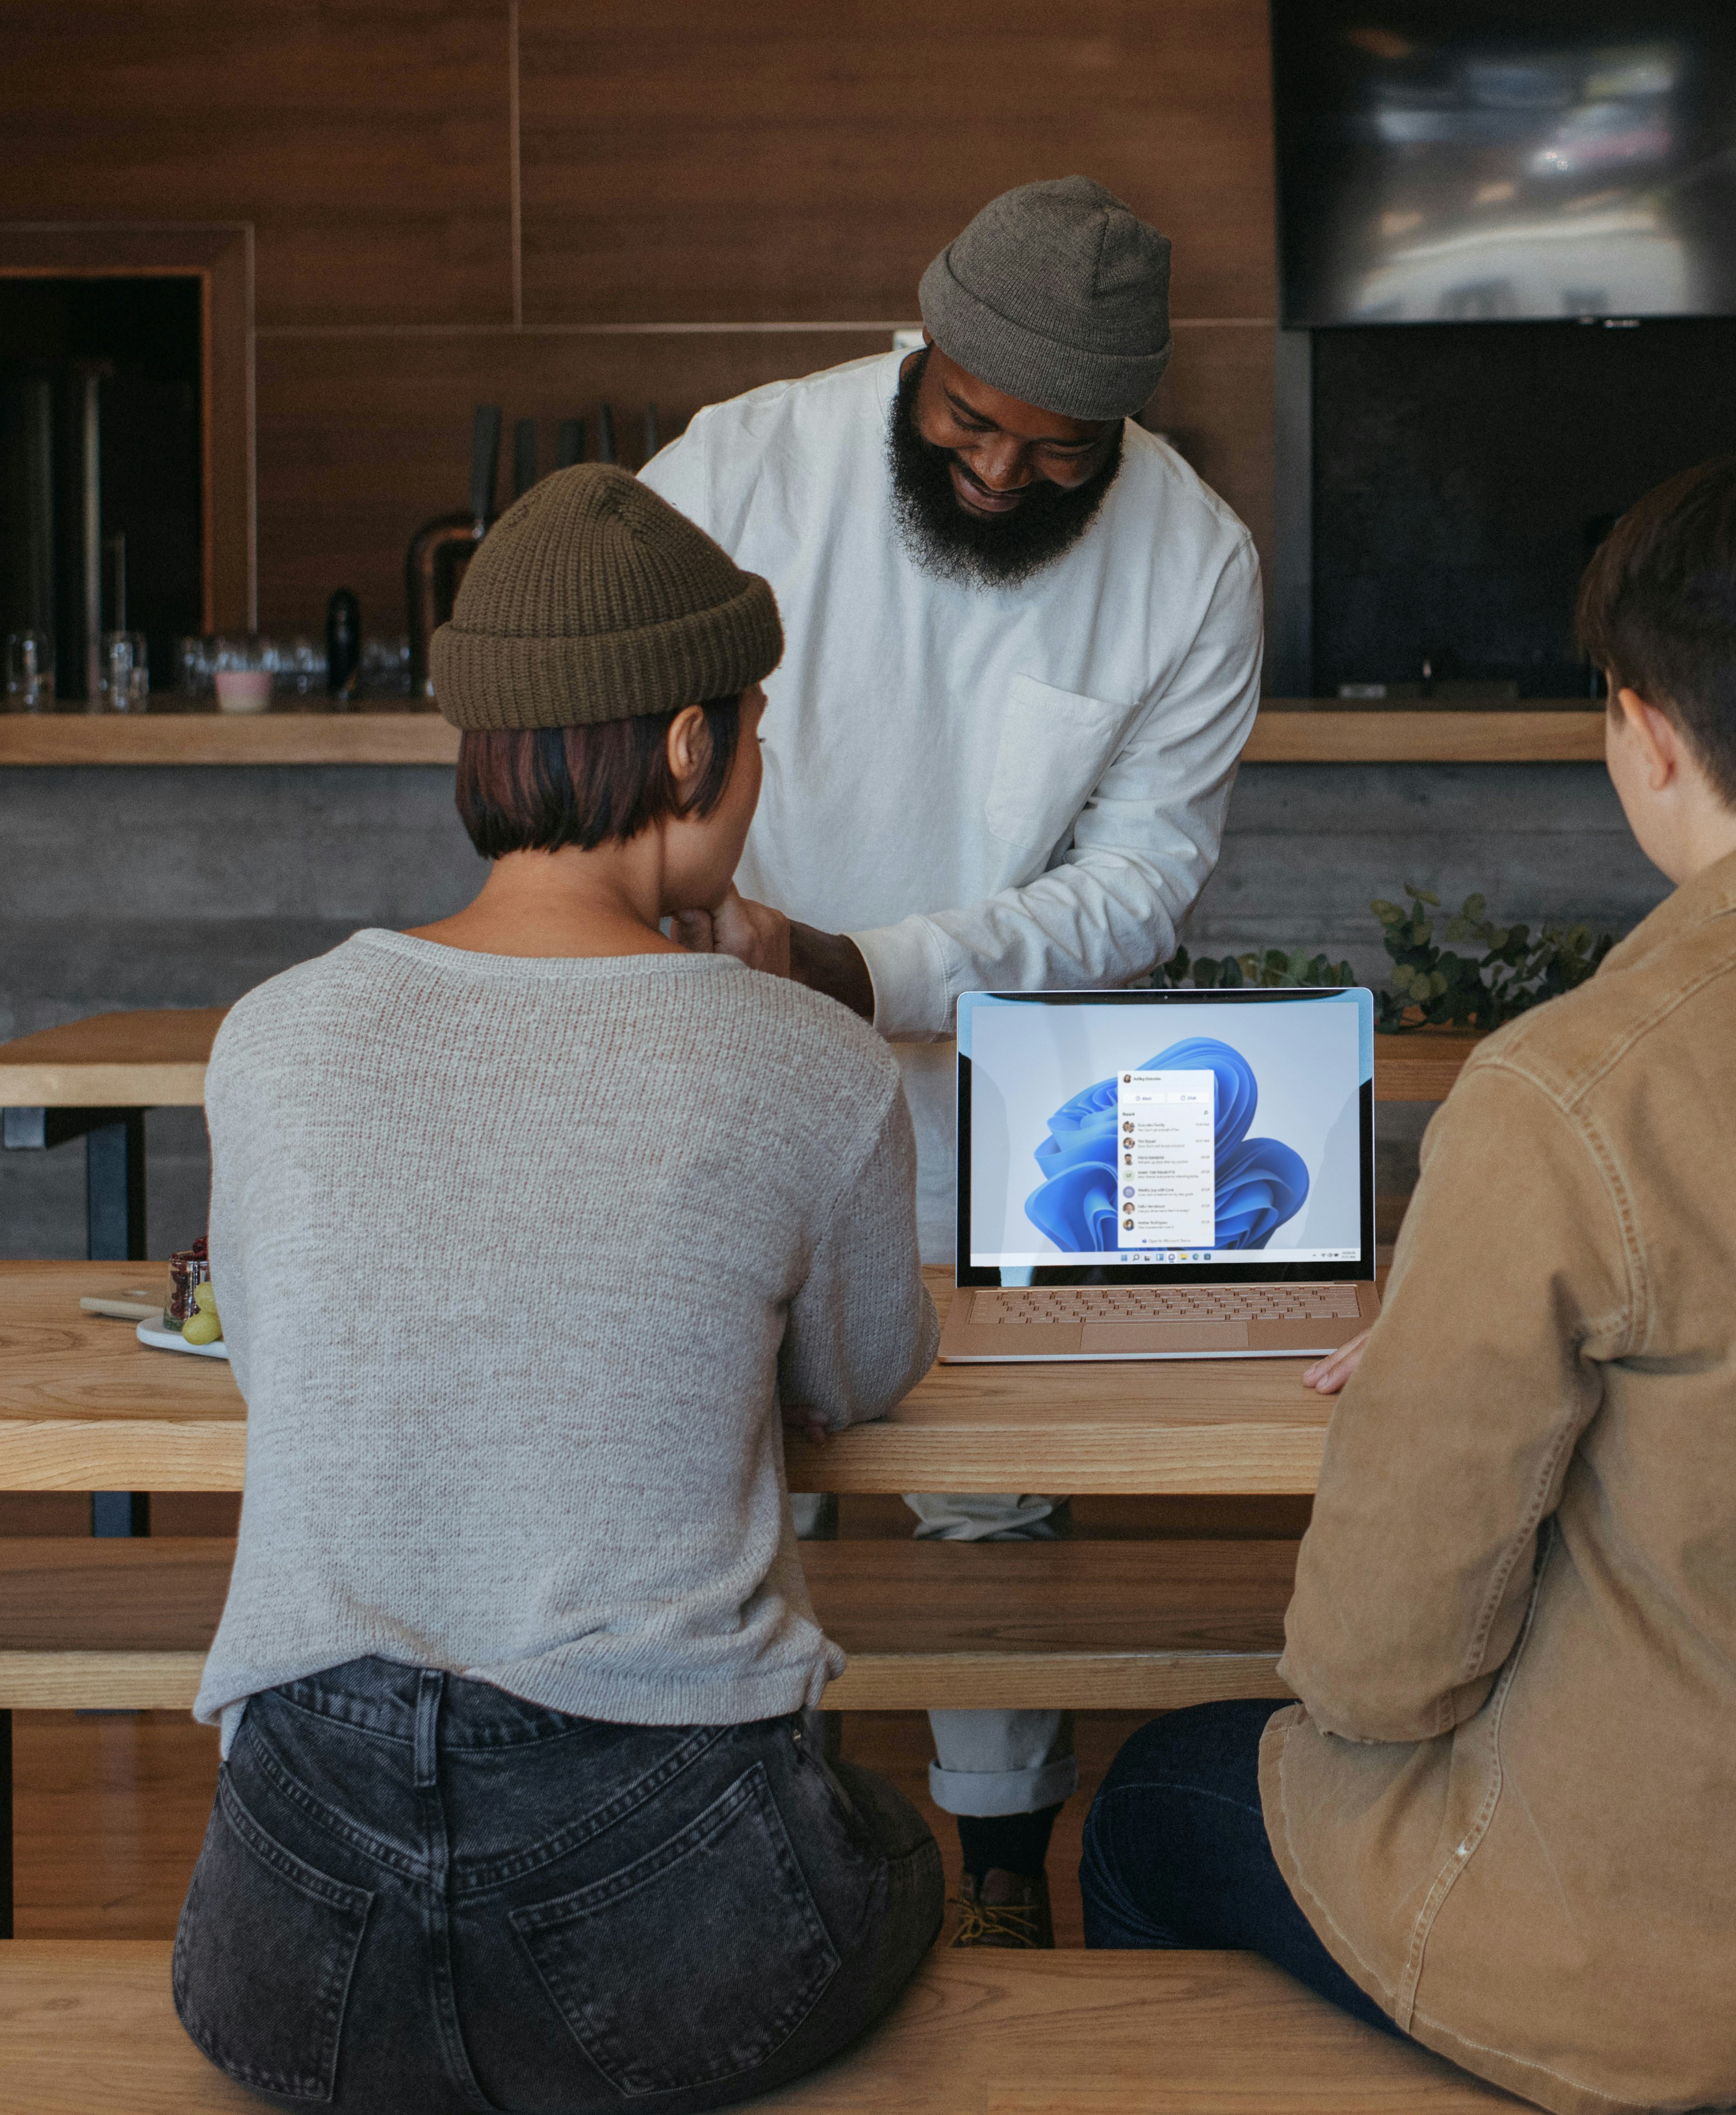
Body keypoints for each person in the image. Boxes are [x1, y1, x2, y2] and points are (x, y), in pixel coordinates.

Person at [1079, 449, 1736, 2114]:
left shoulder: (1569, 1088)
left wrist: (1451, 1363)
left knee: (1155, 1802)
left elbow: (1379, 1669)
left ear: (1643, 729)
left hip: (1671, 1982)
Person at [172, 464, 945, 2113]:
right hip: (669, 1920)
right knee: (903, 1854)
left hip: (290, 1937)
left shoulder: (273, 1036)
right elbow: (867, 1376)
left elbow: (282, 1362)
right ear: (690, 745)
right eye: (753, 728)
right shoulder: (808, 1059)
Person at [639, 174, 1262, 1947]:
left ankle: (1000, 1870)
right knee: (719, 1468)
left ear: (1125, 427)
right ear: (922, 347)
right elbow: (598, 723)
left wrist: (860, 965)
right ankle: (736, 1853)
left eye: (1057, 454)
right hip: (709, 1065)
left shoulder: (1195, 562)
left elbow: (1137, 886)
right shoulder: (742, 466)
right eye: (969, 422)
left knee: (989, 1503)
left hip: (990, 1095)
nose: (999, 472)